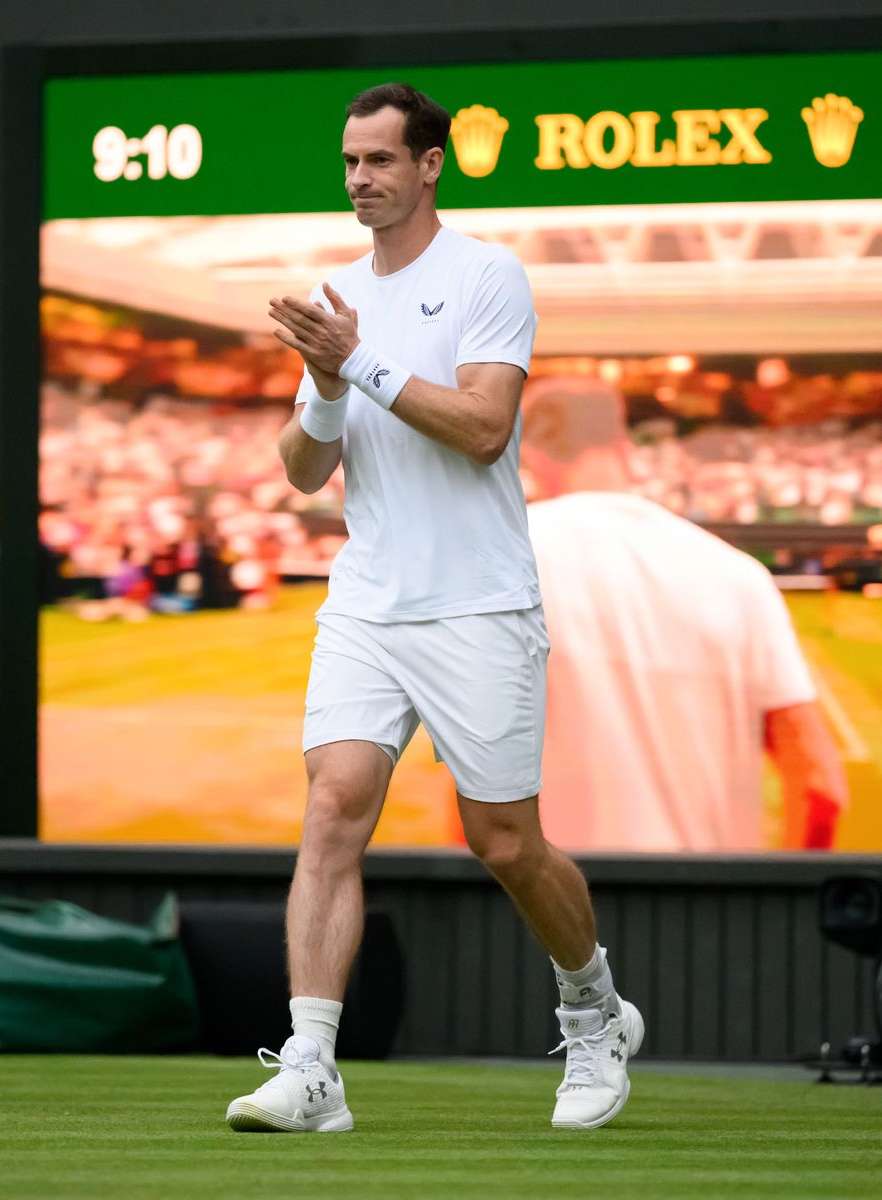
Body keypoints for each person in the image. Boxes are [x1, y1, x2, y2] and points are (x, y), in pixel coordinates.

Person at [226, 84, 642, 1135]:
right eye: (349, 161)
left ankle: (591, 1009)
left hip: (478, 606)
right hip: (368, 603)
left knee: (504, 844)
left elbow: (484, 427)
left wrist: (354, 358)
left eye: (378, 159)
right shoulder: (335, 293)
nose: (360, 177)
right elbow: (304, 473)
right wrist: (322, 387)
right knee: (332, 807)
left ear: (428, 167)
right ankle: (311, 1066)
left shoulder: (485, 275)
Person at [522, 376, 848, 853]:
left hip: (549, 915)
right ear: (622, 445)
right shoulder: (739, 575)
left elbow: (480, 788)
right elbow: (821, 786)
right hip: (709, 916)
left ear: (529, 452)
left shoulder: (504, 561)